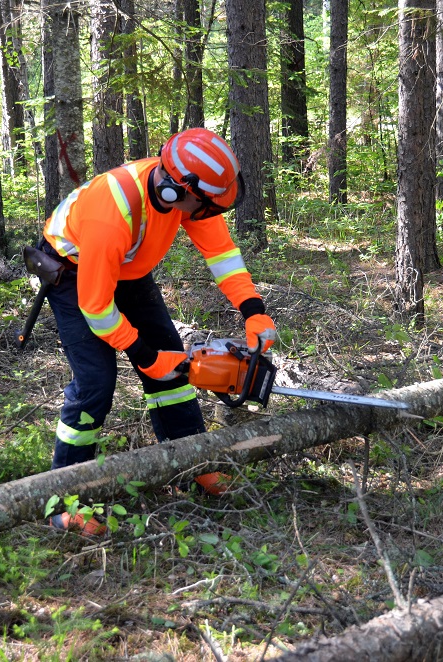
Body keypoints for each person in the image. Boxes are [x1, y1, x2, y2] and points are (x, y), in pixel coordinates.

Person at [35, 128, 277, 535]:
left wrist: (253, 310)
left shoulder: (187, 193)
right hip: (73, 271)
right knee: (95, 381)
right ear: (173, 191)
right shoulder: (110, 213)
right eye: (205, 207)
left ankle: (195, 461)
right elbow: (97, 308)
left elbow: (221, 254)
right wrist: (145, 357)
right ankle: (65, 496)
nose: (205, 215)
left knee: (176, 368)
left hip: (129, 269)